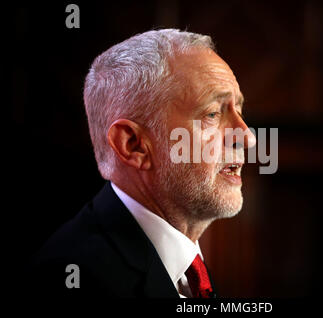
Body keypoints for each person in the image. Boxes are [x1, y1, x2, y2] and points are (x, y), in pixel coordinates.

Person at [31, 29, 256, 298]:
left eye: (238, 111)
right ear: (133, 145)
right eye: (212, 113)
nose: (247, 136)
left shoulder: (186, 265)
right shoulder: (74, 278)